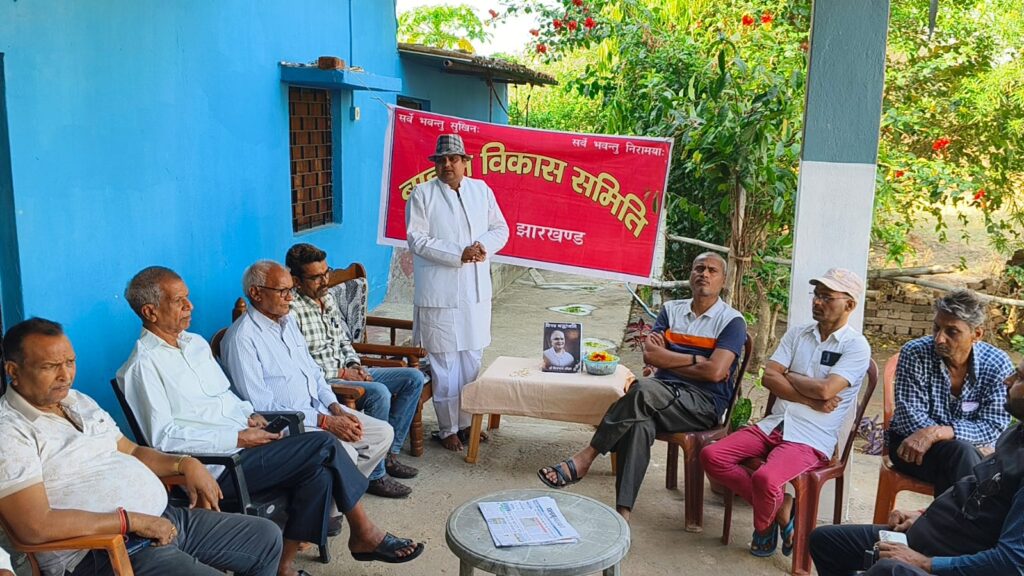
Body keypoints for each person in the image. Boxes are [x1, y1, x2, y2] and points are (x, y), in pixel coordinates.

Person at [116, 266, 423, 572]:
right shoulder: (141, 367)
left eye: (188, 298)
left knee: (320, 472)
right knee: (324, 444)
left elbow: (224, 398)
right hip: (219, 467)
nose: (190, 306)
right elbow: (164, 438)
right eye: (179, 301)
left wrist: (249, 416)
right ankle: (364, 532)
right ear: (150, 312)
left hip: (249, 445)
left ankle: (283, 567)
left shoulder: (194, 344)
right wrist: (237, 437)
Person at [0, 318, 283, 576]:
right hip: (105, 551)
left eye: (70, 362)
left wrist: (185, 463)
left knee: (265, 538)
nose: (65, 375)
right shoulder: (10, 431)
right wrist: (131, 522)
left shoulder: (78, 401)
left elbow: (132, 451)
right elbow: (35, 526)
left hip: (161, 519)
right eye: (50, 367)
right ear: (13, 371)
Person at [537, 253, 747, 520]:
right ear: (691, 274)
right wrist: (696, 359)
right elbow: (651, 356)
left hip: (702, 404)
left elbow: (715, 372)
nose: (704, 274)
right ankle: (623, 514)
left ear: (723, 280)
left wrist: (670, 359)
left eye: (712, 270)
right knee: (639, 423)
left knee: (642, 389)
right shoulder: (671, 310)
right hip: (660, 395)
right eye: (699, 268)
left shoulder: (731, 321)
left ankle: (586, 457)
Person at [702, 268, 871, 558]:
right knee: (712, 455)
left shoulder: (856, 346)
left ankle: (763, 527)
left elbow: (826, 390)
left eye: (827, 297)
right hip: (774, 424)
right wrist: (808, 397)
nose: (817, 301)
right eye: (816, 295)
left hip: (810, 436)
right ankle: (780, 508)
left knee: (766, 479)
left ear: (849, 305)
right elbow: (769, 377)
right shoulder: (797, 334)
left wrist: (789, 374)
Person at [809, 359, 1024, 575]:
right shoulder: (1016, 435)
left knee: (888, 570)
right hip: (939, 536)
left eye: (1020, 378)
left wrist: (925, 563)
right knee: (826, 541)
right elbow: (974, 489)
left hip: (956, 560)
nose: (1007, 381)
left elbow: (1011, 562)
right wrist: (924, 514)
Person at [220, 261, 407, 501]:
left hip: (320, 410)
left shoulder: (288, 322)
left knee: (382, 433)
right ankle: (332, 506)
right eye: (282, 291)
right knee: (346, 453)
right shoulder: (242, 339)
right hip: (289, 424)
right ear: (256, 293)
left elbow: (315, 373)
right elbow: (260, 406)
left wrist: (335, 408)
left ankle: (331, 500)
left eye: (291, 290)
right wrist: (325, 422)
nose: (290, 298)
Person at [285, 243, 424, 495]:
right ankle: (376, 475)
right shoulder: (290, 311)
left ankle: (388, 454)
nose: (324, 281)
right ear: (296, 280)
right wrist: (342, 373)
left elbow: (343, 340)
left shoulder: (326, 298)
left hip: (347, 371)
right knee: (379, 392)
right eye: (316, 277)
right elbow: (301, 364)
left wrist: (353, 364)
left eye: (326, 273)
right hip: (326, 382)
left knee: (412, 377)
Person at [888, 289, 1014, 496]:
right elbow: (909, 418)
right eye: (936, 328)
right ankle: (963, 516)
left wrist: (939, 432)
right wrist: (963, 440)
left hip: (971, 453)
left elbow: (993, 425)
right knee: (965, 457)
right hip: (911, 448)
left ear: (977, 334)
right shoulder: (916, 353)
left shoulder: (997, 363)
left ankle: (946, 515)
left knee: (963, 460)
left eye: (952, 332)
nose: (939, 339)